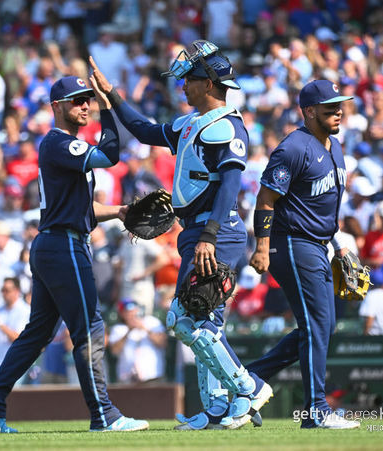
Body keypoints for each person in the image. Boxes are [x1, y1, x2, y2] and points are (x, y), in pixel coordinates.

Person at [90, 40, 272, 431]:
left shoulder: (226, 124)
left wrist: (209, 234)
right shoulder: (191, 122)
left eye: (188, 80)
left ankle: (248, 386)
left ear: (208, 82)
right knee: (207, 322)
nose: (182, 87)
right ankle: (215, 409)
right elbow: (142, 130)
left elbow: (230, 185)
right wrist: (112, 95)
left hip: (215, 231)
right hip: (195, 231)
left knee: (183, 319)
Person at [0, 75, 149, 433]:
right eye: (76, 100)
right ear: (57, 107)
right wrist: (109, 106)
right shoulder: (57, 143)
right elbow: (111, 156)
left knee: (37, 333)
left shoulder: (67, 148)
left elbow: (78, 208)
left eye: (87, 99)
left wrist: (118, 211)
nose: (84, 105)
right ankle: (104, 415)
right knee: (89, 328)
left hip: (55, 241)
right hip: (64, 245)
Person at [248, 79, 360, 429]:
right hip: (292, 243)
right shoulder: (292, 148)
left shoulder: (335, 146)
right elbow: (265, 200)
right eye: (330, 108)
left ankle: (247, 381)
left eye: (340, 105)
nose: (338, 111)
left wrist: (340, 246)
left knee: (321, 327)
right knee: (315, 325)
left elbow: (324, 208)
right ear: (310, 111)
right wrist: (262, 247)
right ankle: (316, 410)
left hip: (319, 245)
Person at [108, 298, 167, 383]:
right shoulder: (118, 329)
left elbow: (162, 343)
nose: (132, 313)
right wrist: (129, 330)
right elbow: (114, 350)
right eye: (127, 311)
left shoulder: (151, 321)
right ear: (122, 314)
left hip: (153, 377)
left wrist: (144, 328)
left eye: (134, 310)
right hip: (127, 378)